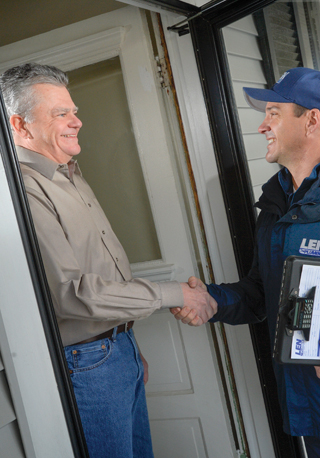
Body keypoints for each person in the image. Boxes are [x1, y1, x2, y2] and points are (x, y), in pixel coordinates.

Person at [172, 67, 320, 457]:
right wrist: (211, 301)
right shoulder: (276, 207)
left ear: (312, 119)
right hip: (310, 416)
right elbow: (264, 294)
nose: (262, 126)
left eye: (274, 112)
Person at [0, 62, 217, 458]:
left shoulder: (70, 175)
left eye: (74, 110)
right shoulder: (23, 193)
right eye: (60, 113)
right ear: (20, 126)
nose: (76, 121)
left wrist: (125, 348)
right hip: (85, 365)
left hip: (115, 351)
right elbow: (70, 294)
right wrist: (177, 295)